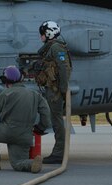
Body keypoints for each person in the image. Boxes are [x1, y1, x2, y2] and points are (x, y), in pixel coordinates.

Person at [0, 65, 51, 173]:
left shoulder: (5, 93)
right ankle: (31, 163)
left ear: (6, 81)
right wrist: (40, 128)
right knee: (17, 163)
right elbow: (46, 114)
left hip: (7, 131)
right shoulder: (35, 94)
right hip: (25, 136)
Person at [36, 20, 72, 164]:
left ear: (49, 34)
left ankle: (59, 153)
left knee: (57, 122)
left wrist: (63, 91)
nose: (40, 37)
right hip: (52, 89)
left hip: (55, 90)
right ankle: (59, 151)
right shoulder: (50, 48)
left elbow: (63, 69)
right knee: (55, 120)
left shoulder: (56, 48)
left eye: (42, 34)